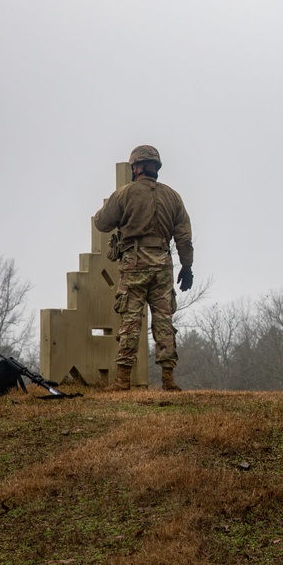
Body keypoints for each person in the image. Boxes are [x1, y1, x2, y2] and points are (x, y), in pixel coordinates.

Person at [94, 145, 193, 391]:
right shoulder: (173, 197)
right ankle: (169, 380)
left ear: (135, 168)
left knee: (130, 320)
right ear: (156, 168)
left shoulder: (125, 194)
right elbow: (184, 237)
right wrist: (187, 267)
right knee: (164, 321)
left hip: (135, 263)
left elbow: (102, 223)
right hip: (163, 264)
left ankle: (122, 380)